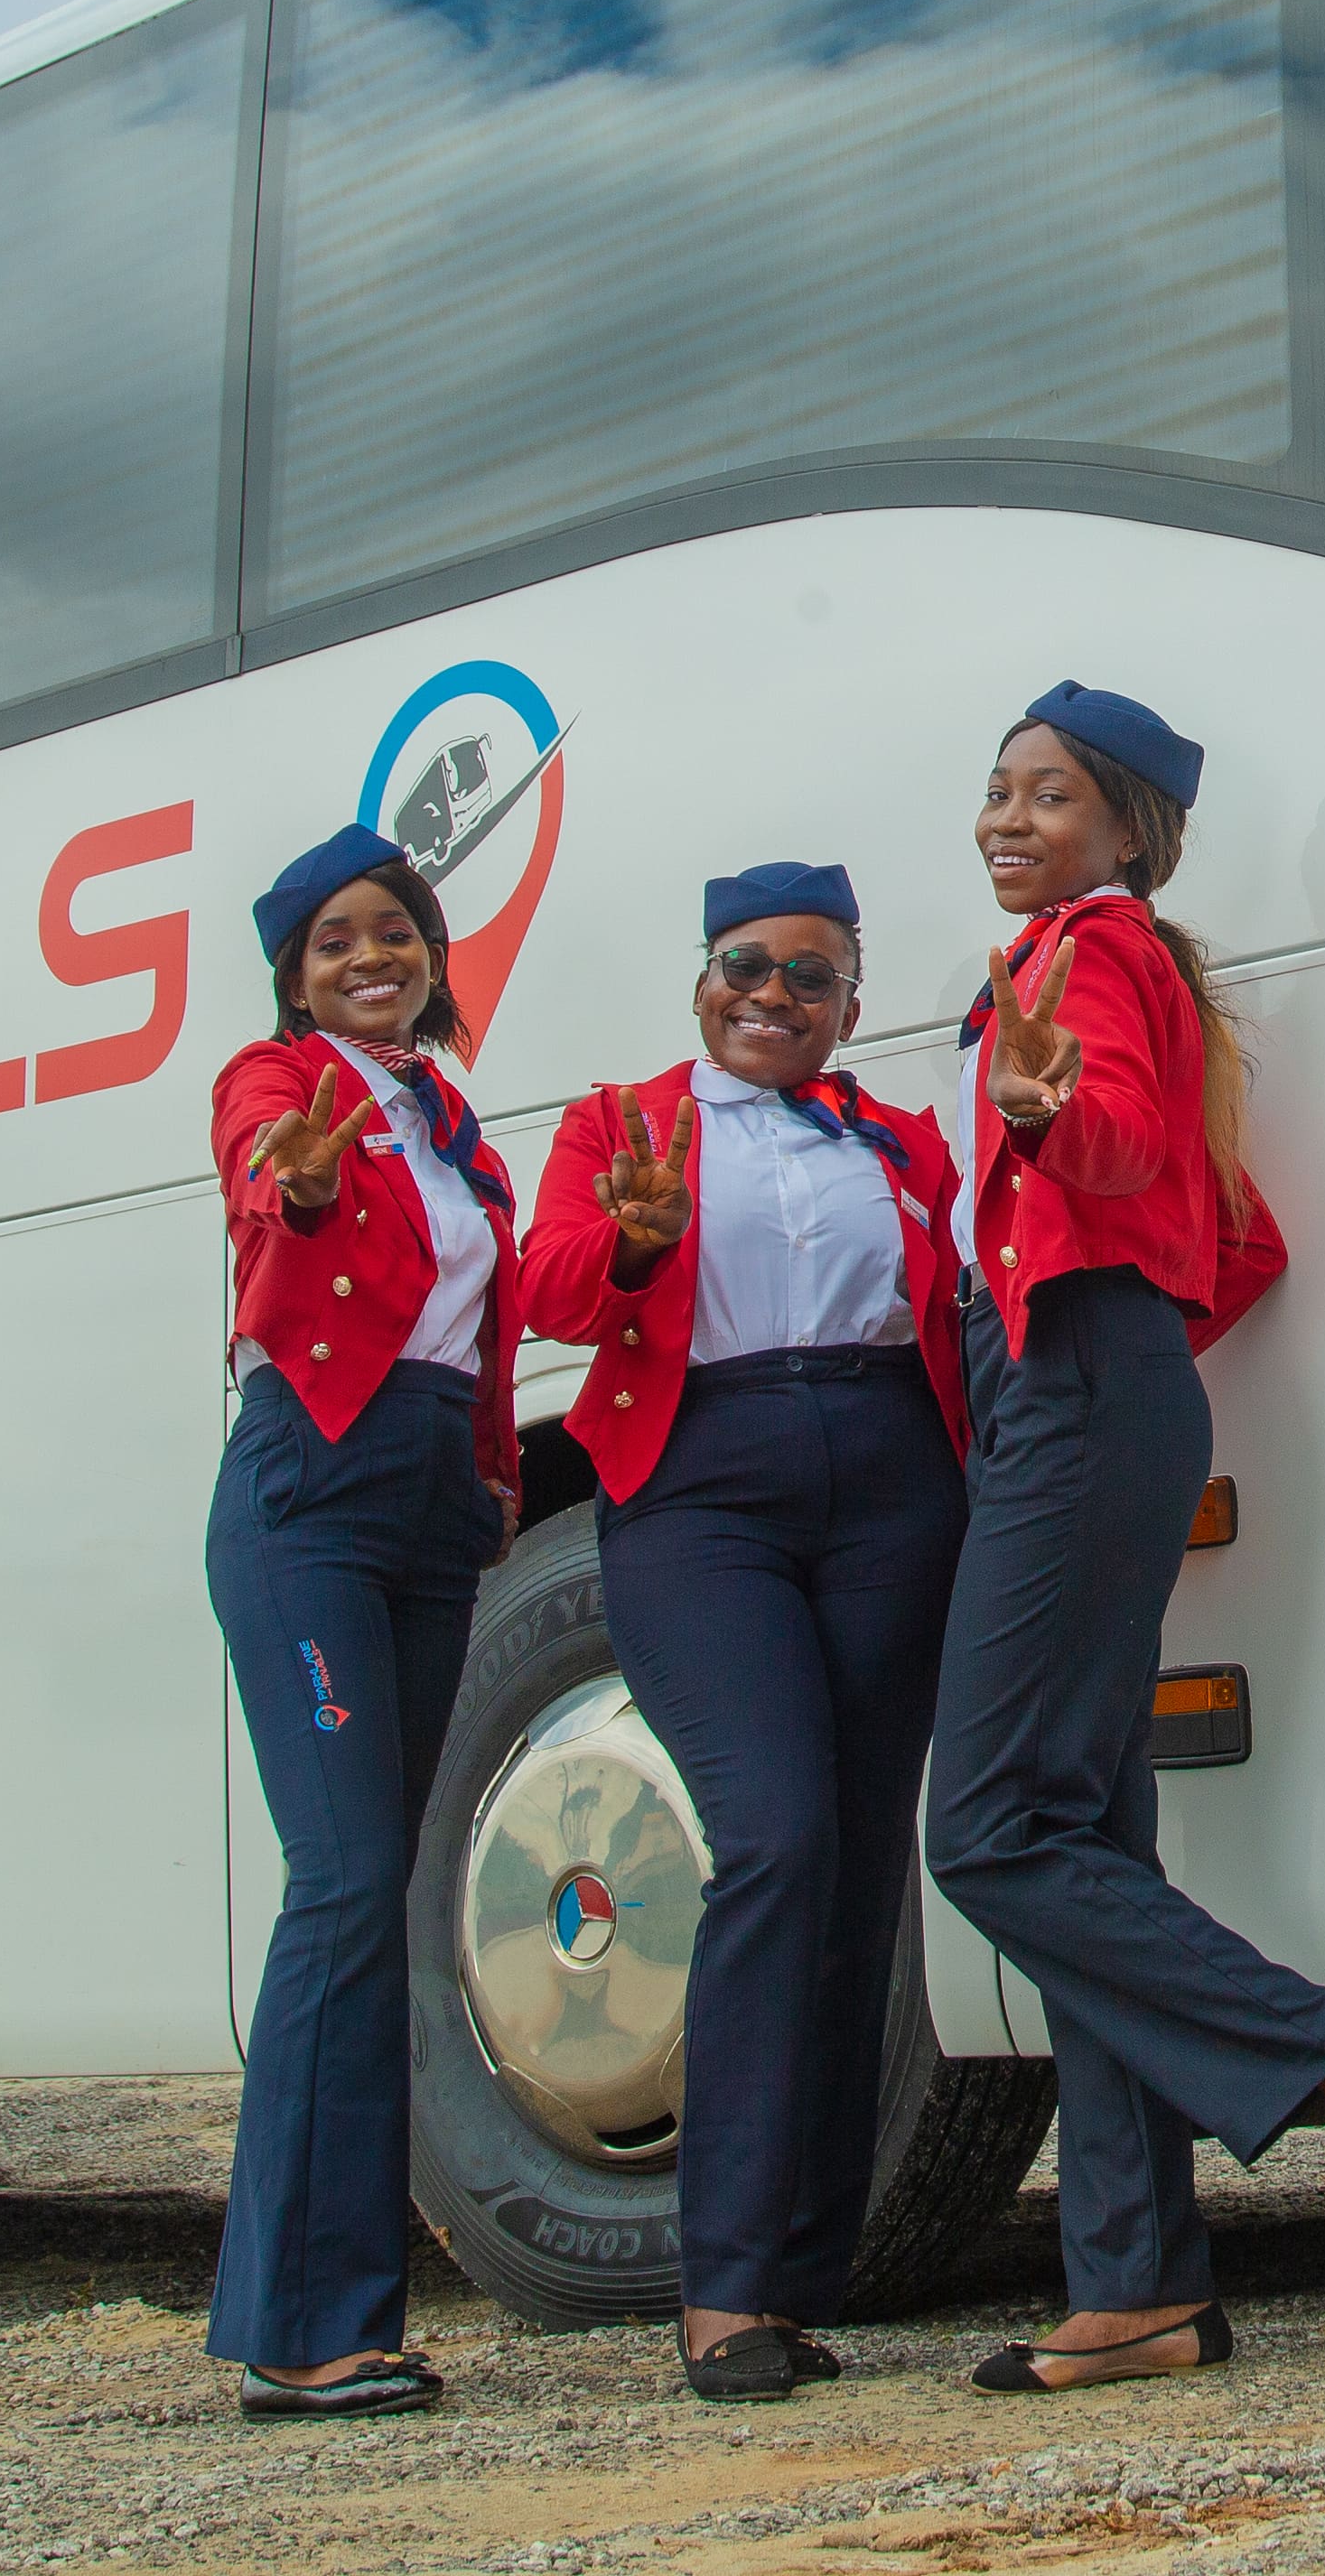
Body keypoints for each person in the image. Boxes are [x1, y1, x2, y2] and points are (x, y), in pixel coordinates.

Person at [924, 682, 1325, 2395]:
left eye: (1051, 795)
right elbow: (1241, 1236)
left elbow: (1110, 1138)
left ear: (1129, 830)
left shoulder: (1089, 952)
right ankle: (1137, 2280)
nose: (1009, 819)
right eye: (998, 790)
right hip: (1097, 1386)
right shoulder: (1134, 966)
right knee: (1085, 1833)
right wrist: (1137, 1347)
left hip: (1079, 1392)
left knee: (989, 1831)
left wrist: (1050, 1144)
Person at [519, 862, 971, 2403]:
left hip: (892, 1485)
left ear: (851, 1005)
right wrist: (636, 1243)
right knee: (776, 1838)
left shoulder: (895, 1141)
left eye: (811, 975)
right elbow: (549, 1294)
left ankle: (805, 2265)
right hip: (700, 1495)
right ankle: (723, 2288)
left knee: (857, 1864)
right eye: (746, 965)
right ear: (703, 979)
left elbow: (966, 1288)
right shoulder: (621, 1125)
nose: (773, 994)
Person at [205, 825, 522, 2417]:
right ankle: (294, 2328)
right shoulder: (279, 1087)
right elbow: (271, 1186)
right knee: (336, 1887)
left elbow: (485, 1324)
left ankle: (353, 2316)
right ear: (295, 976)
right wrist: (303, 1188)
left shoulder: (452, 1123)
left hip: (428, 1503)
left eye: (392, 930)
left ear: (432, 953)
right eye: (334, 941)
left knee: (379, 1892)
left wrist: (495, 1481)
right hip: (311, 1499)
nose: (370, 957)